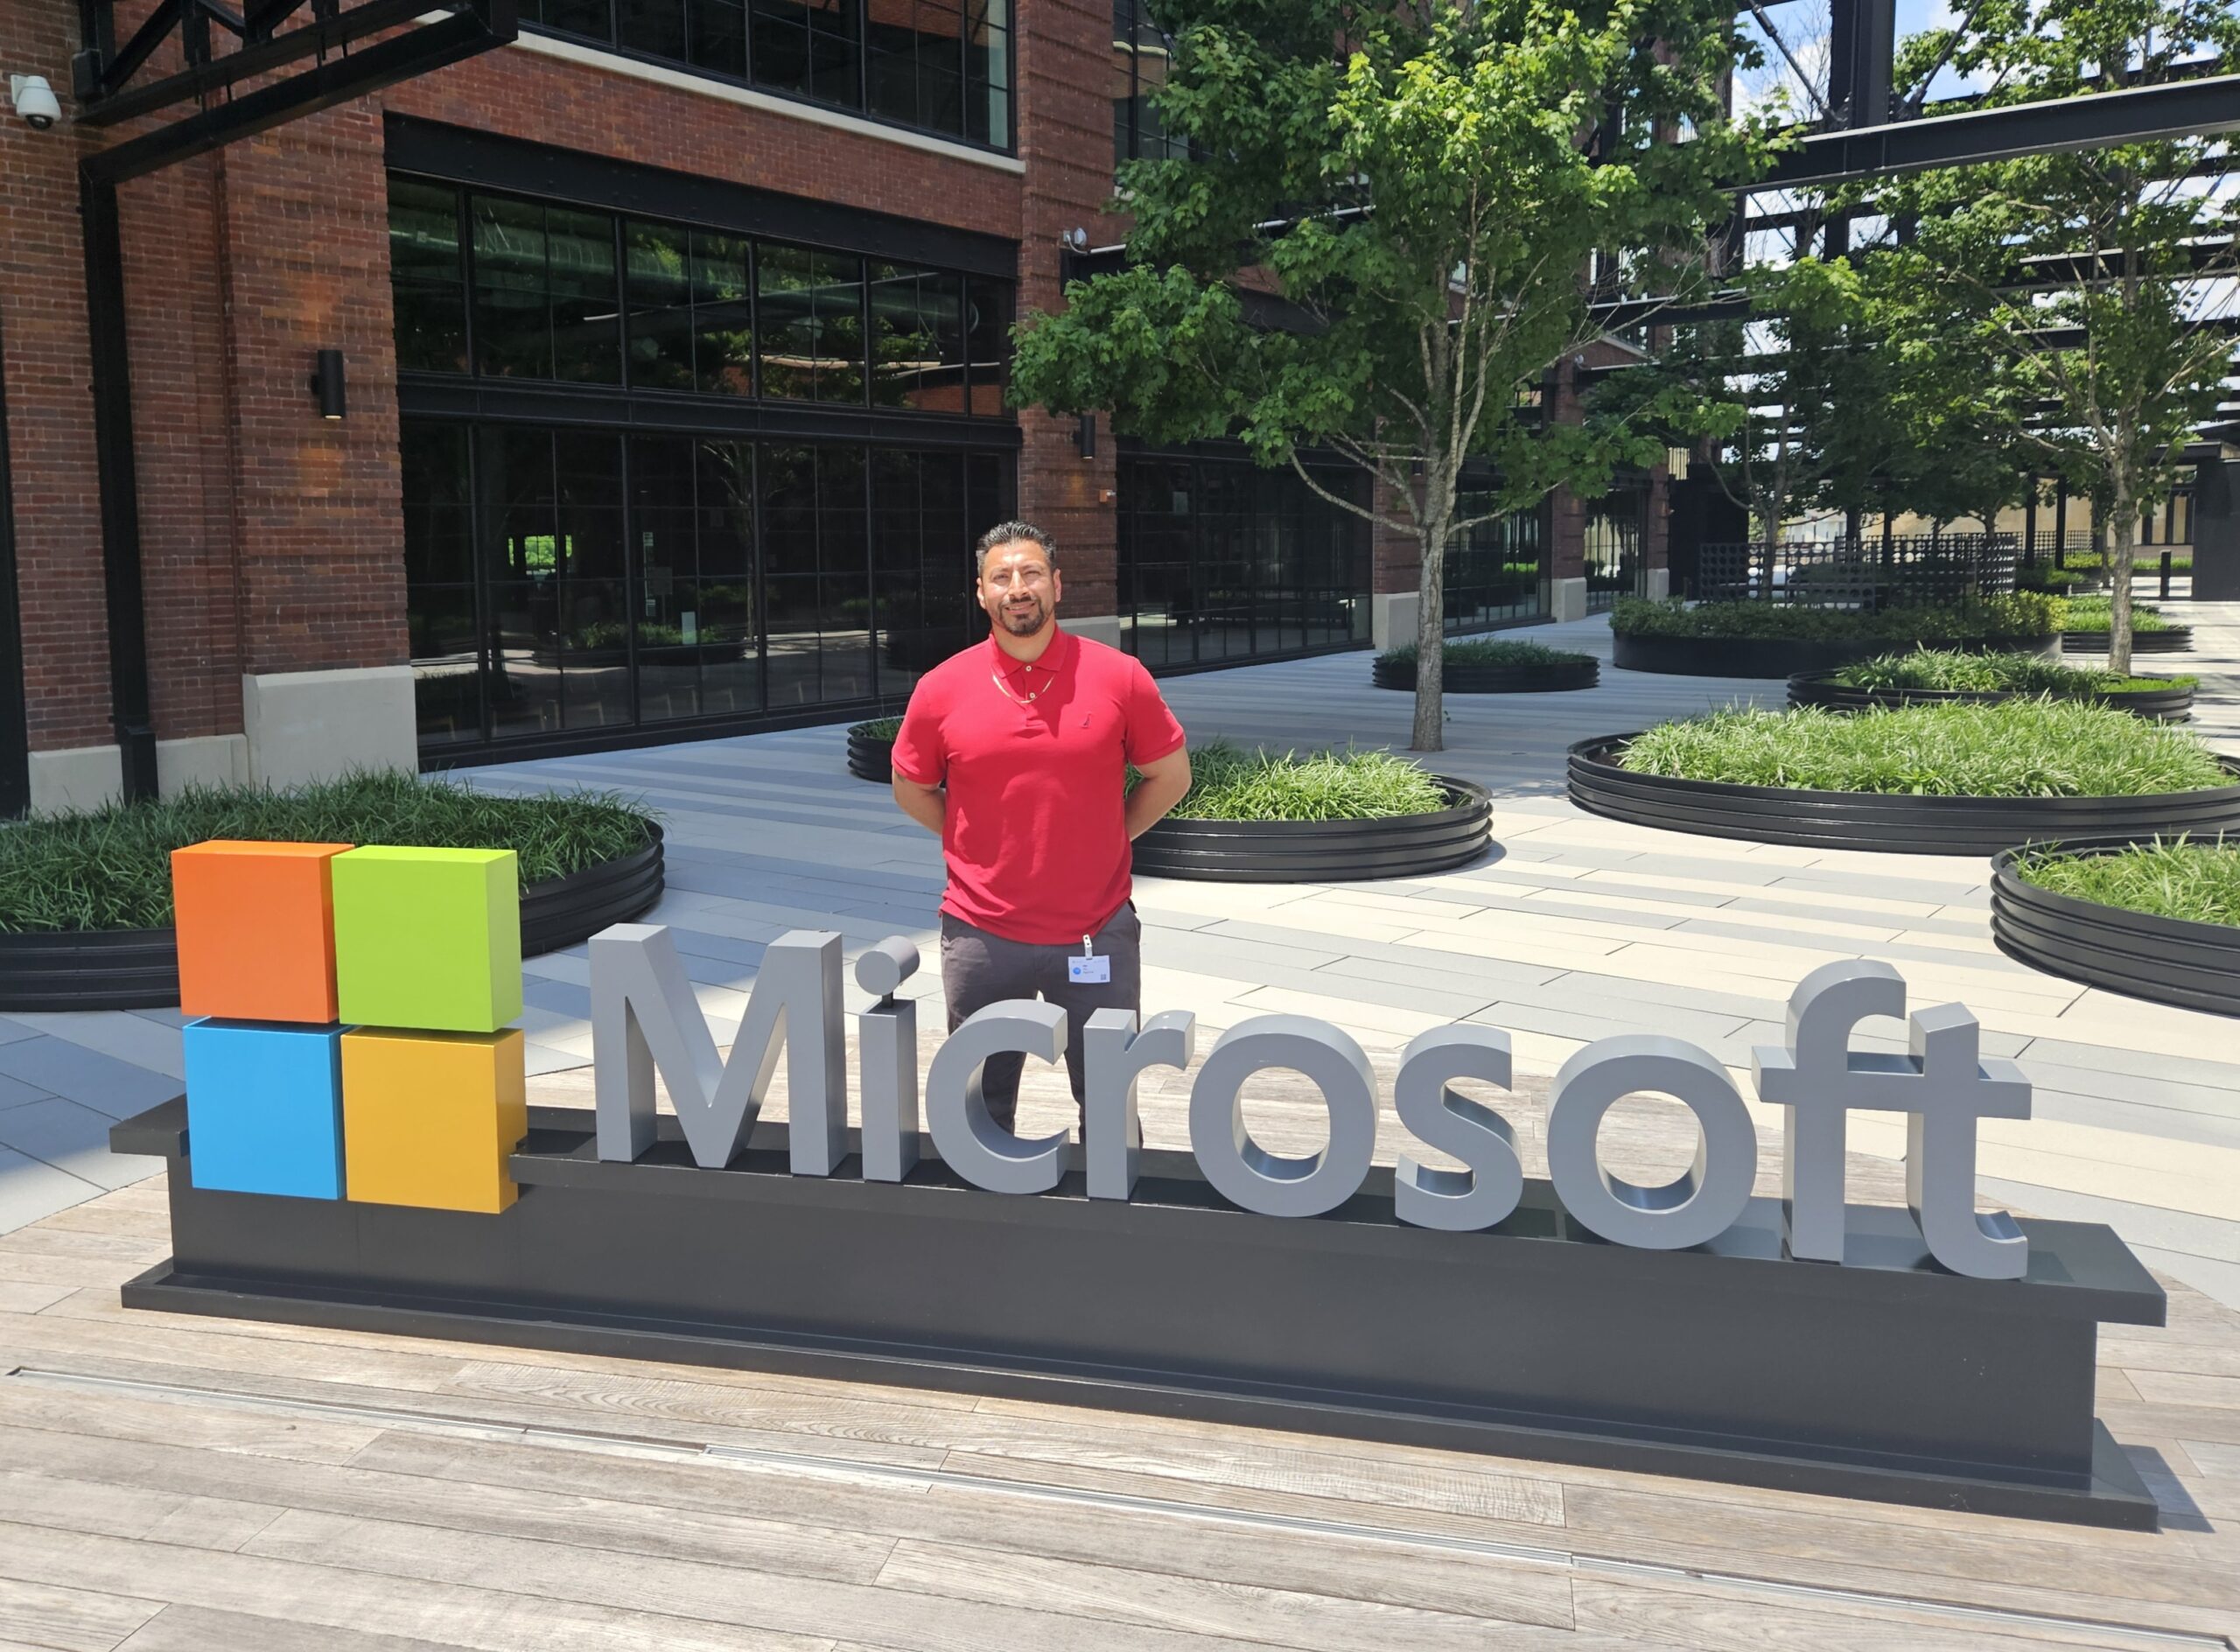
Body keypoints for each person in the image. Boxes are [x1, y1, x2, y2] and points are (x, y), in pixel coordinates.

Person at [889, 521, 1193, 1134]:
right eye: (1001, 577)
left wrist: (1110, 835)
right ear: (981, 593)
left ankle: (1110, 1218)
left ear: (1057, 584)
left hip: (1096, 930)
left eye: (1030, 574)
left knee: (1111, 1110)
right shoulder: (941, 688)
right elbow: (912, 786)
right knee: (979, 1108)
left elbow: (1170, 775)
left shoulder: (1119, 676)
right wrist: (972, 841)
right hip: (981, 934)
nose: (1017, 587)